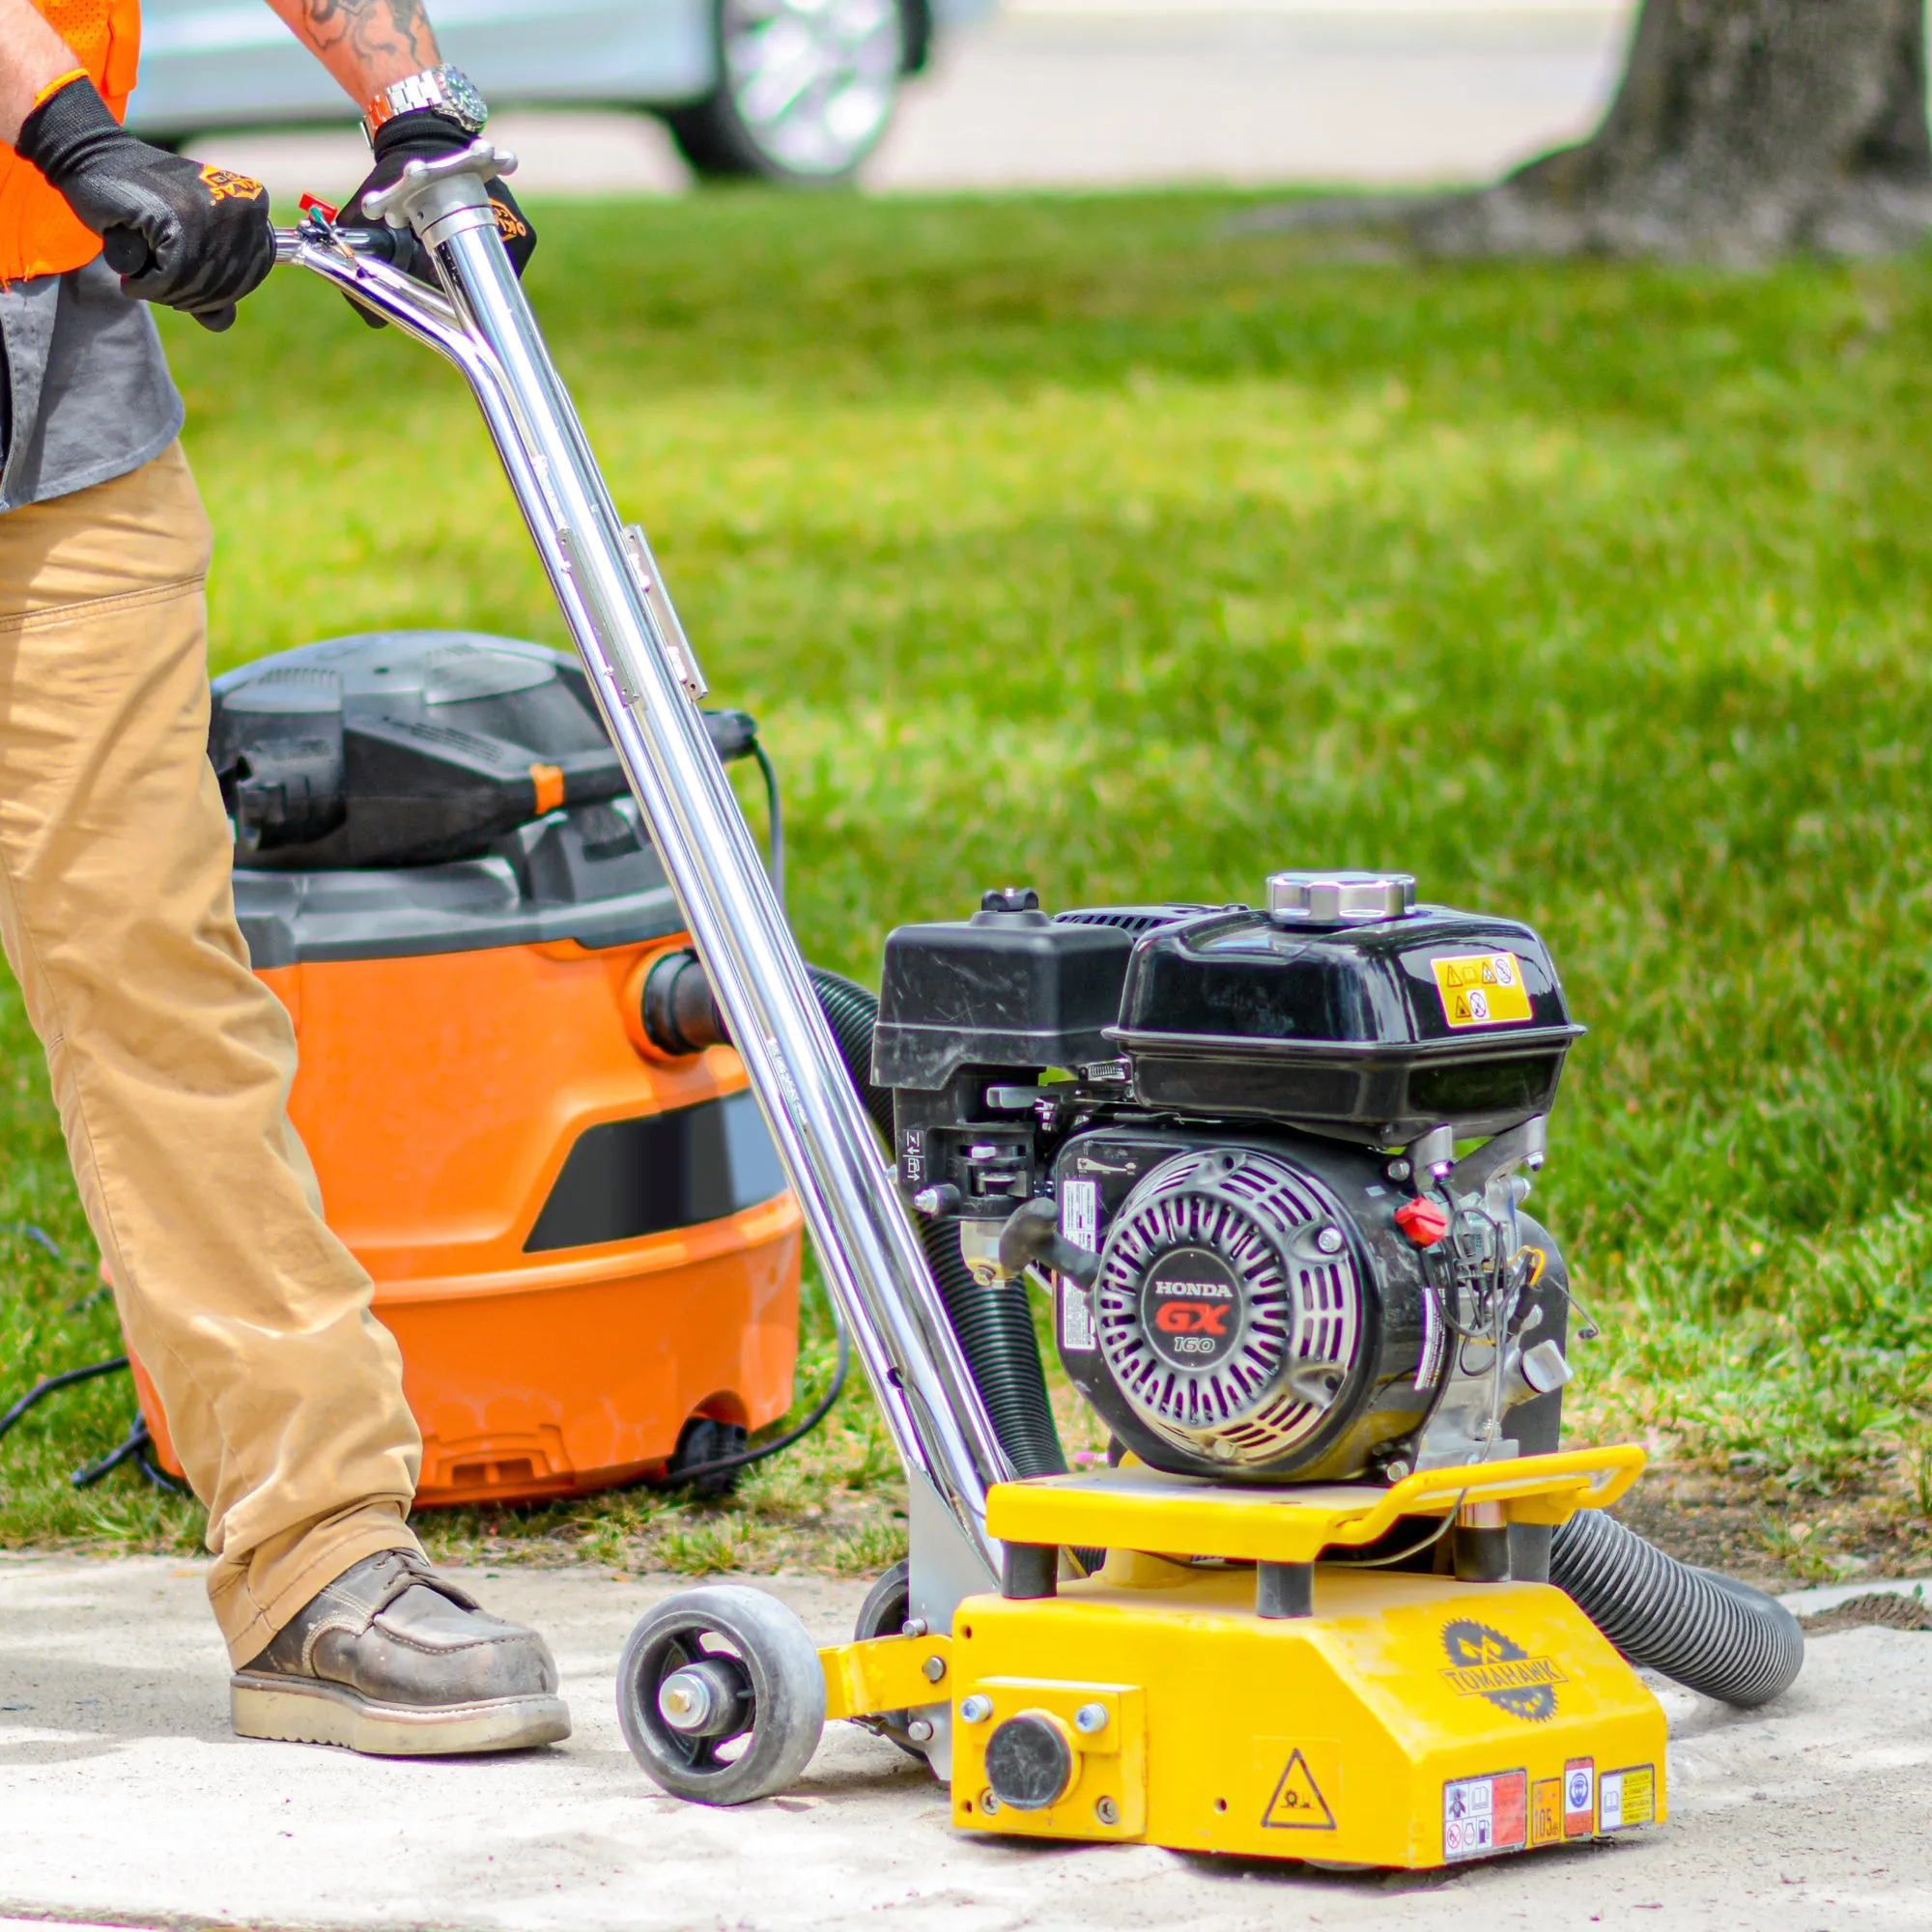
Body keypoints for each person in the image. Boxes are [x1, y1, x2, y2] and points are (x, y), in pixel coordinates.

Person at [0, 0, 565, 1755]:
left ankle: (317, 1559)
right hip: (59, 192)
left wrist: (415, 108)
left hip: (56, 386)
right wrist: (81, 136)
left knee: (157, 976)